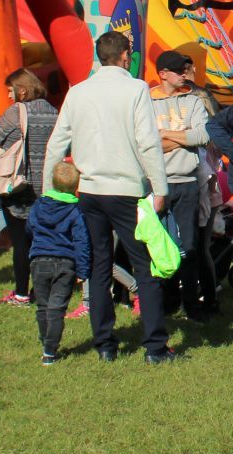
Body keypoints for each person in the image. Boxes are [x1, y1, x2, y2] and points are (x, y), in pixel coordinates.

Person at [46, 30, 172, 363]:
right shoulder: (135, 89)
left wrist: (50, 190)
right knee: (145, 267)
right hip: (127, 190)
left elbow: (57, 143)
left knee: (98, 267)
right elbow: (147, 141)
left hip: (89, 190)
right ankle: (155, 347)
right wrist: (160, 188)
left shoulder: (78, 92)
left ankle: (104, 344)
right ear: (126, 56)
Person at [150, 51, 215, 320]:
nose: (184, 75)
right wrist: (181, 138)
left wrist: (164, 135)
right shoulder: (147, 101)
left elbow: (203, 135)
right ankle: (167, 301)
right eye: (179, 71)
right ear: (163, 73)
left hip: (187, 181)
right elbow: (145, 141)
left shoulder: (193, 101)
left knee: (189, 246)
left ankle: (192, 304)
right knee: (160, 246)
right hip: (157, 183)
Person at [0, 68, 58, 307]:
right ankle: (42, 290)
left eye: (10, 91)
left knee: (21, 242)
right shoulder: (53, 111)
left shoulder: (16, 112)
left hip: (18, 186)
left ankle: (21, 293)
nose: (9, 96)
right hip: (47, 187)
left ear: (22, 90)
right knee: (42, 241)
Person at [27, 160, 91, 365]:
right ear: (76, 187)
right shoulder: (76, 211)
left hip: (39, 261)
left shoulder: (38, 205)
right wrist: (83, 270)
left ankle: (45, 342)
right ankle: (50, 349)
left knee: (42, 306)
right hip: (65, 263)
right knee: (57, 308)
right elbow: (82, 241)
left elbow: (29, 228)